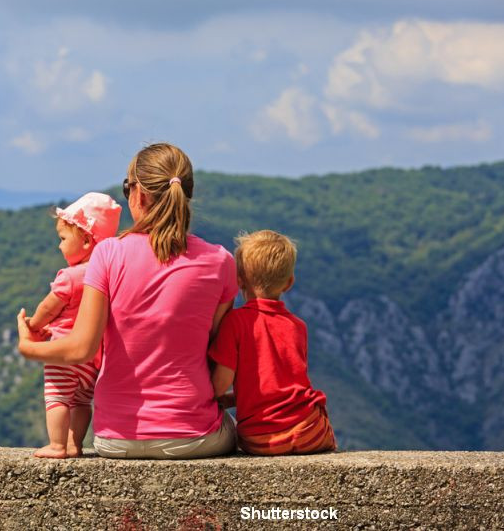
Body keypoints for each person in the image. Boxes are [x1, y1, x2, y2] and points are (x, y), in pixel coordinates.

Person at [17, 142, 238, 459]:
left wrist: (29, 347)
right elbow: (216, 349)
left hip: (114, 439)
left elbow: (82, 348)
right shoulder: (221, 262)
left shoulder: (107, 254)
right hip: (192, 436)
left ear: (139, 196)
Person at [208, 230, 336, 455]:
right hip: (309, 430)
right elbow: (279, 388)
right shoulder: (298, 327)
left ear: (239, 280)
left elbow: (220, 384)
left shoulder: (235, 323)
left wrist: (215, 400)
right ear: (289, 283)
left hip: (261, 439)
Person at [24, 192, 122, 458]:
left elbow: (48, 307)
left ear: (87, 241)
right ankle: (75, 444)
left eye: (63, 239)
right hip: (94, 357)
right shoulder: (109, 274)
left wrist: (33, 324)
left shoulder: (69, 276)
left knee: (57, 397)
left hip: (63, 350)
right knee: (81, 401)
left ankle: (57, 444)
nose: (59, 246)